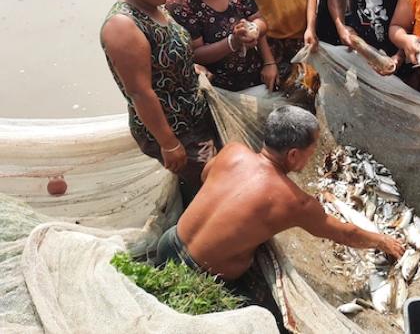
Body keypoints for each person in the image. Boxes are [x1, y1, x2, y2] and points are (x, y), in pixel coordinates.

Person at [155, 105, 405, 332]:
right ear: (294, 155)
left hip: (168, 244)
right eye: (313, 149)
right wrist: (383, 241)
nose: (312, 156)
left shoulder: (233, 150)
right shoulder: (295, 202)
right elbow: (345, 233)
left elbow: (205, 177)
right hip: (205, 279)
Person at [101, 0, 218, 207]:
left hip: (194, 115)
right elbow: (140, 93)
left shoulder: (156, 6)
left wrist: (192, 68)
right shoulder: (124, 26)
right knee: (215, 189)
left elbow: (165, 57)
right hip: (171, 129)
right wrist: (169, 144)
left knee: (212, 183)